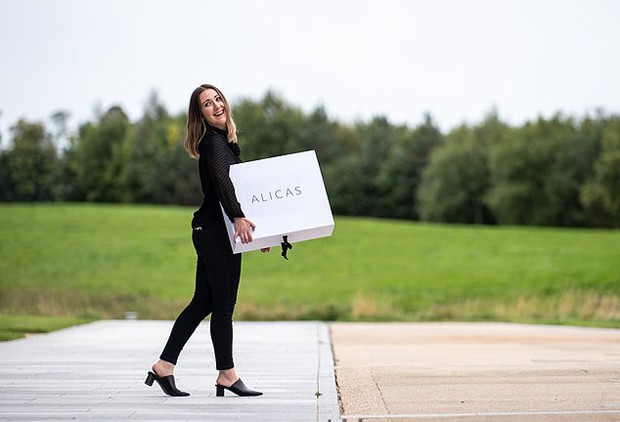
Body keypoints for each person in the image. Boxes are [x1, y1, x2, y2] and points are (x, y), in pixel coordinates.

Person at [145, 83, 268, 397]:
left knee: (203, 302)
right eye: (206, 104)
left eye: (218, 99)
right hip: (215, 233)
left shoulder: (223, 144)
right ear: (199, 115)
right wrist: (239, 217)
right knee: (223, 306)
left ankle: (164, 366)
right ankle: (227, 374)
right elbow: (223, 183)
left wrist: (258, 232)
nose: (216, 106)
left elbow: (239, 191)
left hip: (214, 232)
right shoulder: (213, 143)